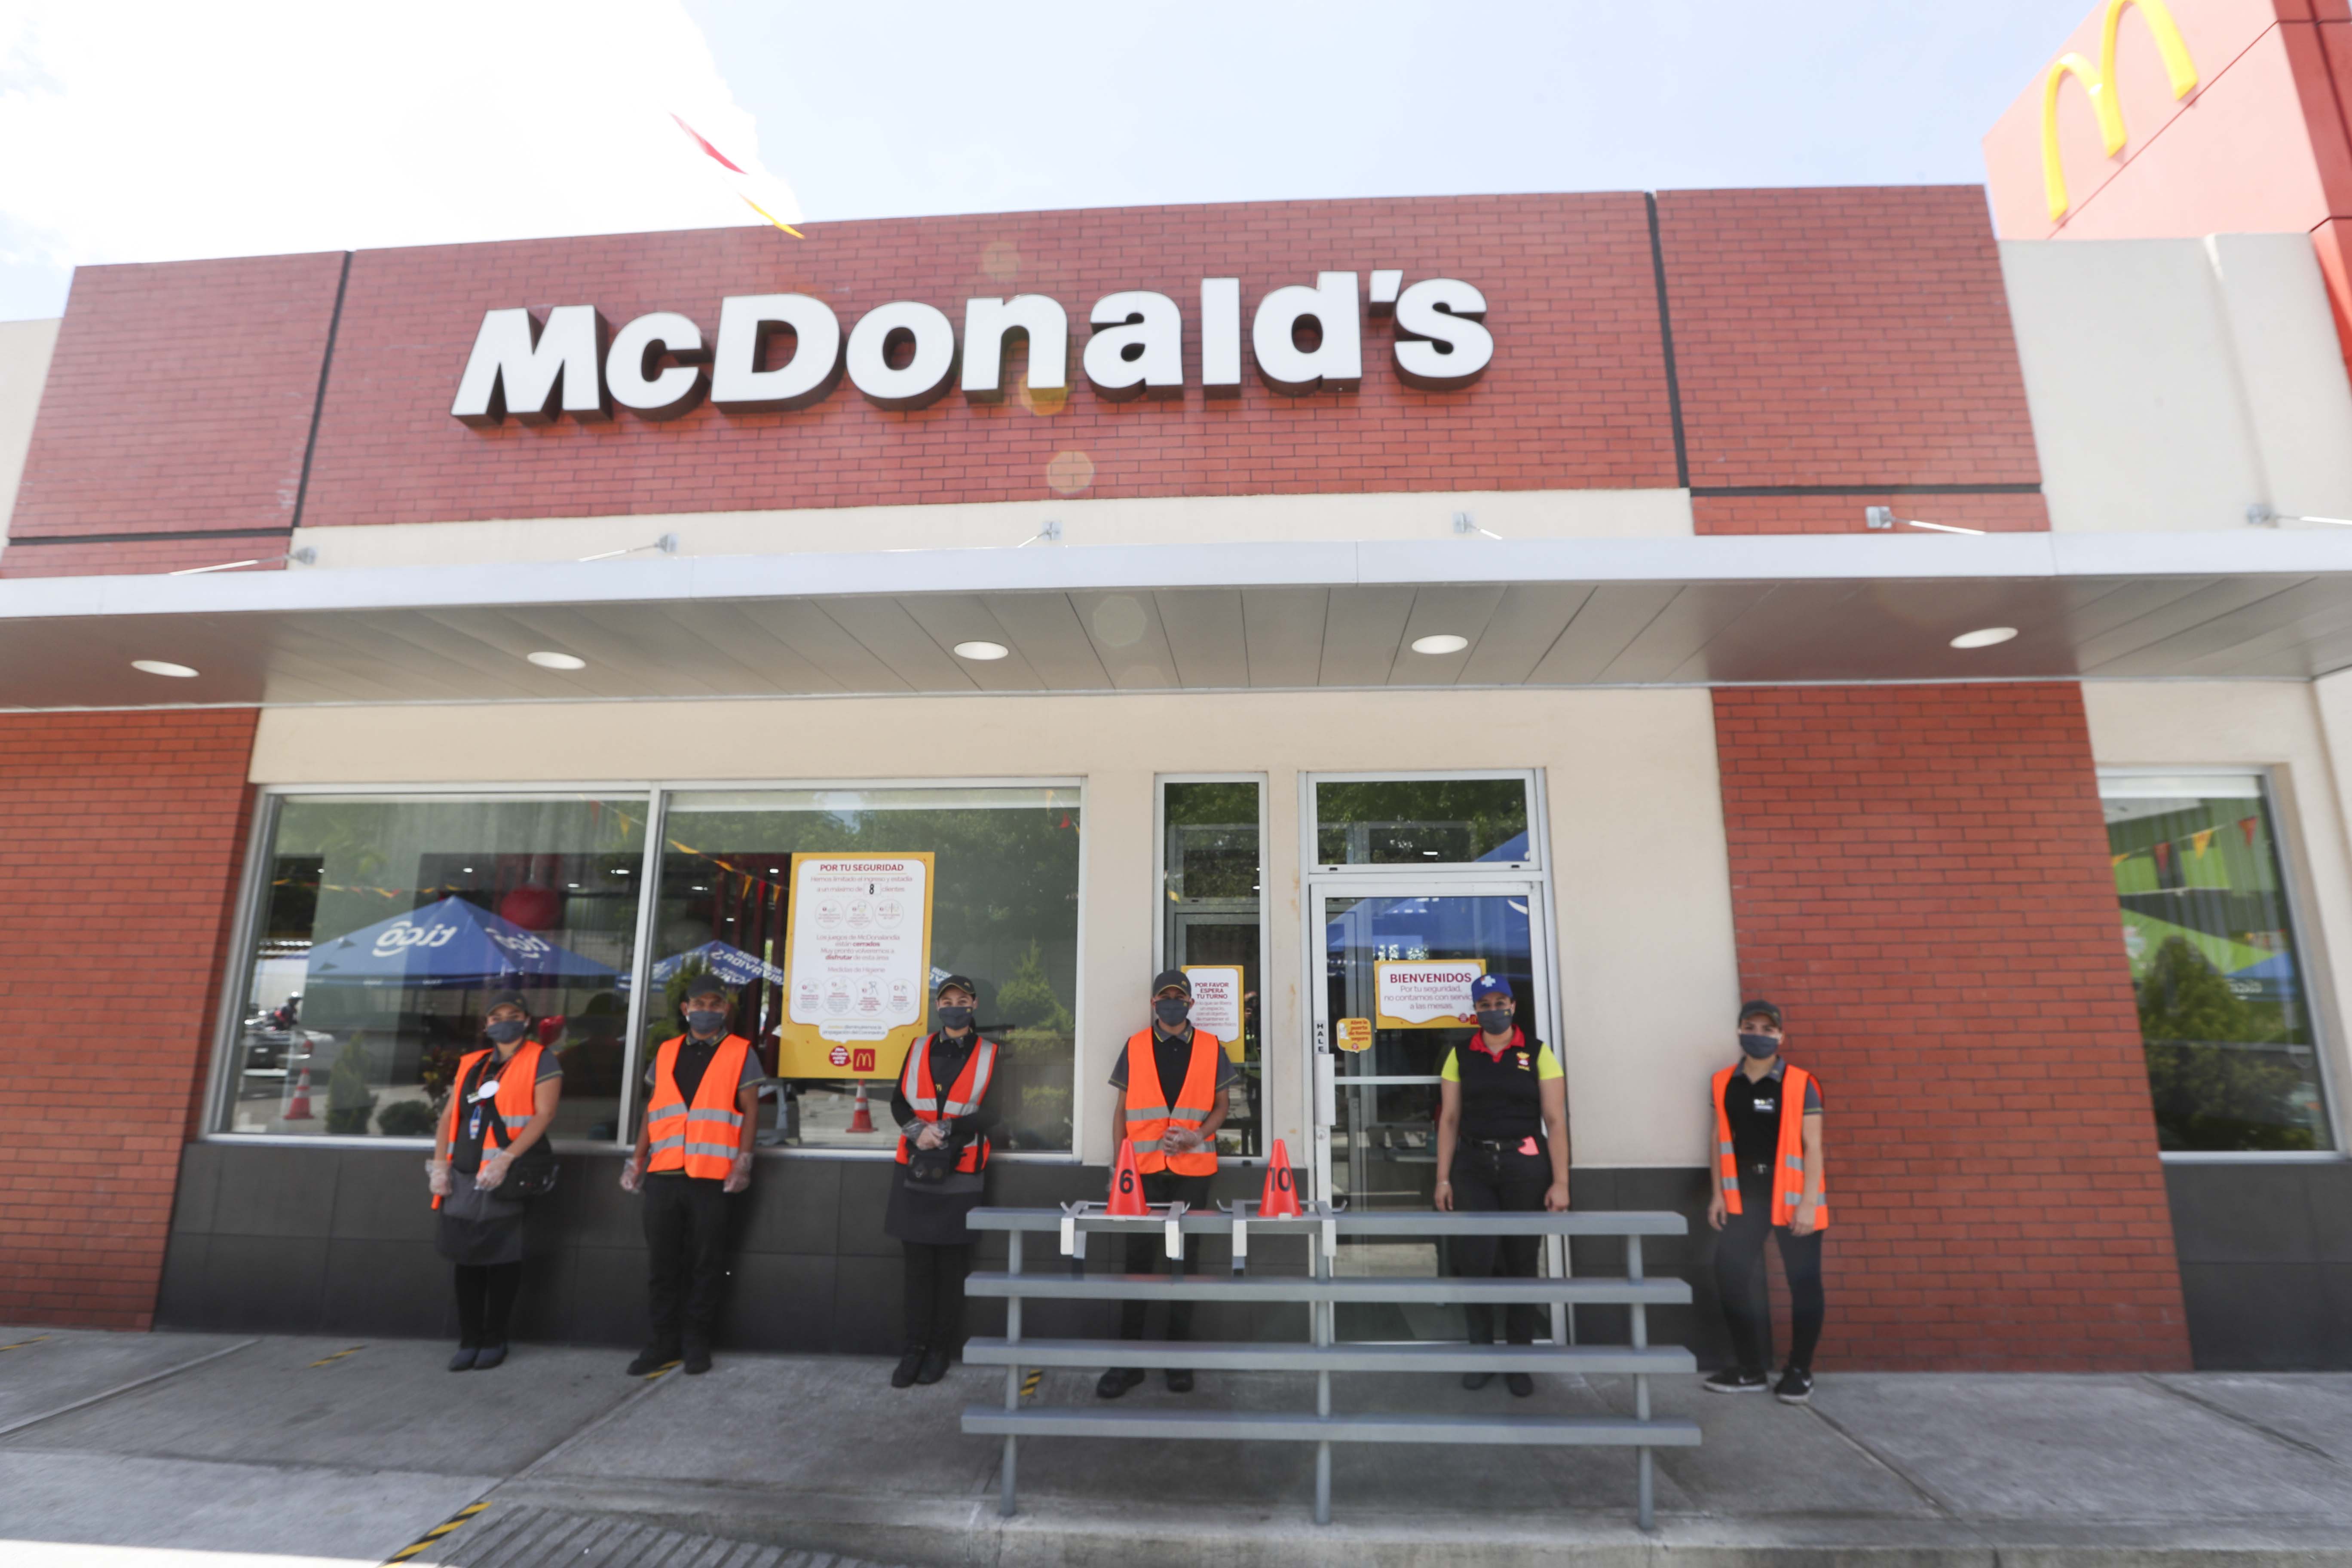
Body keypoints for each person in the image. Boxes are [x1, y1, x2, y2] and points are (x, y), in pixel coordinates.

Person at [1096, 968, 1237, 1400]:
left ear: (1191, 1004)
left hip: (1193, 1172)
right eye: (1164, 998)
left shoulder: (1213, 1047)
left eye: (1179, 997)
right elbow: (1121, 1111)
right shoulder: (1136, 1046)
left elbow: (1222, 1105)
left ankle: (1178, 1359)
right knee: (1137, 1263)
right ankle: (1129, 1364)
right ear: (1154, 1004)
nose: (1171, 1003)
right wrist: (1118, 1168)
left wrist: (1199, 1135)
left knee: (1185, 1264)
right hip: (1142, 1173)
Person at [1433, 975, 1568, 1396]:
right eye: (1485, 1004)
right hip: (1472, 1167)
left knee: (1520, 1263)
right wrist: (1442, 1177)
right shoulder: (1459, 1055)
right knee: (1476, 1263)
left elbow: (1556, 1120)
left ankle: (1518, 1362)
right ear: (1475, 1010)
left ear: (1512, 1004)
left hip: (1524, 1166)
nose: (1493, 1010)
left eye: (1500, 1002)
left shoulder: (1538, 1053)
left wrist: (1561, 1180)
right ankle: (1483, 1355)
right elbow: (1449, 1120)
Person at [619, 974, 760, 1376]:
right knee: (662, 1265)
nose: (706, 1011)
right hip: (664, 1174)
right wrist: (637, 1159)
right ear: (685, 1010)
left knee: (706, 1263)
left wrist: (743, 1161)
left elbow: (751, 1110)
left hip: (713, 1177)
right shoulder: (665, 1052)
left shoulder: (739, 1052)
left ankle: (696, 1343)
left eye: (715, 1005)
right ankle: (663, 1343)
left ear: (726, 1010)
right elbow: (653, 1108)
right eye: (699, 1005)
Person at [428, 991, 562, 1372]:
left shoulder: (541, 1058)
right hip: (465, 1176)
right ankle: (469, 1339)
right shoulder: (472, 1064)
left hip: (508, 1177)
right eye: (496, 1016)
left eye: (513, 1014)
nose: (504, 1021)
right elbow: (449, 1117)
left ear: (526, 1021)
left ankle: (495, 1338)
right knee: (465, 1261)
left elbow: (544, 1114)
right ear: (486, 1025)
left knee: (502, 1260)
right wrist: (440, 1165)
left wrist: (506, 1158)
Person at [1703, 999, 1827, 1404]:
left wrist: (1809, 1203)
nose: (1758, 1035)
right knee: (1729, 1274)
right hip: (1744, 1196)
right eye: (1750, 1027)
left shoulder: (1801, 1082)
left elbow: (1813, 1147)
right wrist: (1718, 1193)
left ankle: (1799, 1370)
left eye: (1767, 1029)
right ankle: (1750, 1369)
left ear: (1780, 1036)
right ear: (1739, 1030)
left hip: (1793, 1198)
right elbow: (1718, 1138)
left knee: (1804, 1283)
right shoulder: (1722, 1081)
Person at [885, 974, 1003, 1388]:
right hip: (915, 1164)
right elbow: (898, 1099)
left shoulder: (990, 1053)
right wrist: (918, 1129)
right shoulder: (918, 1047)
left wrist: (948, 1129)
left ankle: (938, 1350)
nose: (955, 1005)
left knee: (951, 1267)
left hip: (962, 1167)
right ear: (939, 1007)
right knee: (917, 1267)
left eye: (963, 999)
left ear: (973, 1004)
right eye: (947, 999)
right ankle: (913, 1350)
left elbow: (996, 1111)